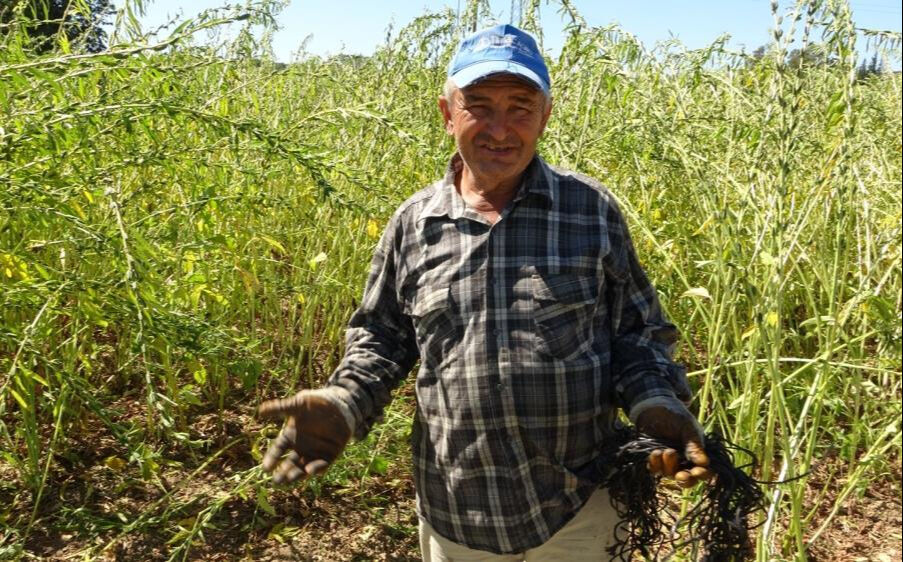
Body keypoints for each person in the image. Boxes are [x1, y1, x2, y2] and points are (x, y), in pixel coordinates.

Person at [257, 24, 713, 560]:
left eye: (520, 107)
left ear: (545, 116)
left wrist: (655, 404)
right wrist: (344, 403)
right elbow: (382, 340)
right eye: (478, 106)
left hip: (582, 508)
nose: (500, 128)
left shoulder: (590, 211)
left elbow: (636, 333)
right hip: (457, 510)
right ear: (448, 114)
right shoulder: (414, 224)